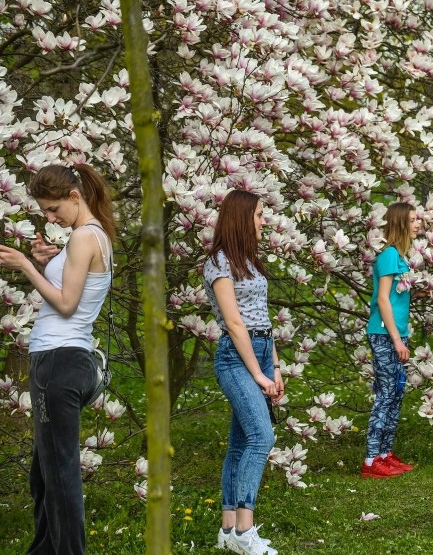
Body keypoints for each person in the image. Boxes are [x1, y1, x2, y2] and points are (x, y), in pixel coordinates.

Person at [0, 164, 115, 555]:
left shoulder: (83, 237)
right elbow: (74, 286)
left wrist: (27, 266)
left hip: (59, 361)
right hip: (65, 360)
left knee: (60, 474)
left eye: (53, 210)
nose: (50, 219)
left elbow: (66, 304)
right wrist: (53, 258)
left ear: (74, 197)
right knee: (43, 474)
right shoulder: (89, 237)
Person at [204, 190, 283, 555]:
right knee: (261, 438)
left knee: (240, 443)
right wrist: (258, 374)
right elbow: (235, 324)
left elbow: (263, 318)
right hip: (237, 358)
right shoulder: (219, 263)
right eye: (260, 215)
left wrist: (275, 368)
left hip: (262, 351)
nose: (264, 222)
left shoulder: (249, 261)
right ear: (242, 217)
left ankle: (227, 529)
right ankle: (243, 532)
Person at [361, 202, 419, 478]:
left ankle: (386, 453)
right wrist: (397, 340)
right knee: (385, 394)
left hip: (397, 335)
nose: (419, 223)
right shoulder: (388, 256)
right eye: (414, 219)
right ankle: (371, 460)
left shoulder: (400, 256)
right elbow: (382, 299)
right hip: (385, 334)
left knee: (396, 393)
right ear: (401, 224)